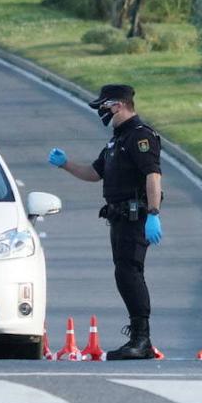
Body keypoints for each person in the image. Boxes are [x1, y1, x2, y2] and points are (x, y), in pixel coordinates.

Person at [48, 84, 163, 360]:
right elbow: (94, 173)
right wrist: (65, 164)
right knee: (124, 273)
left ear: (118, 105)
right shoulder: (117, 140)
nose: (102, 112)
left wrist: (154, 214)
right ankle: (139, 338)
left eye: (104, 106)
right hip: (119, 217)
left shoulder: (140, 137)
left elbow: (153, 175)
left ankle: (141, 339)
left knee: (130, 273)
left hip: (136, 216)